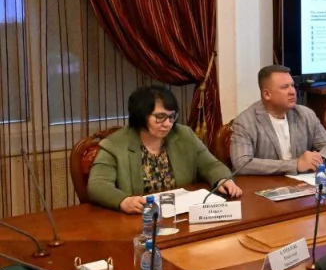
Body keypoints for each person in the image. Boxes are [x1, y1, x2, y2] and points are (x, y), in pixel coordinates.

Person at [87, 86, 242, 213]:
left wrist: (222, 179)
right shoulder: (115, 144)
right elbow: (97, 185)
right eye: (160, 117)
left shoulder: (184, 135)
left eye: (171, 117)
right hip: (141, 219)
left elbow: (210, 165)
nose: (168, 123)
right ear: (141, 116)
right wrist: (123, 201)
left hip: (182, 215)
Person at [230, 65, 326, 175]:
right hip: (266, 184)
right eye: (284, 87)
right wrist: (295, 164)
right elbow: (242, 163)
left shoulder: (306, 115)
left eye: (292, 85)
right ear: (267, 94)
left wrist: (317, 161)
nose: (292, 91)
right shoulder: (245, 122)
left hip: (302, 182)